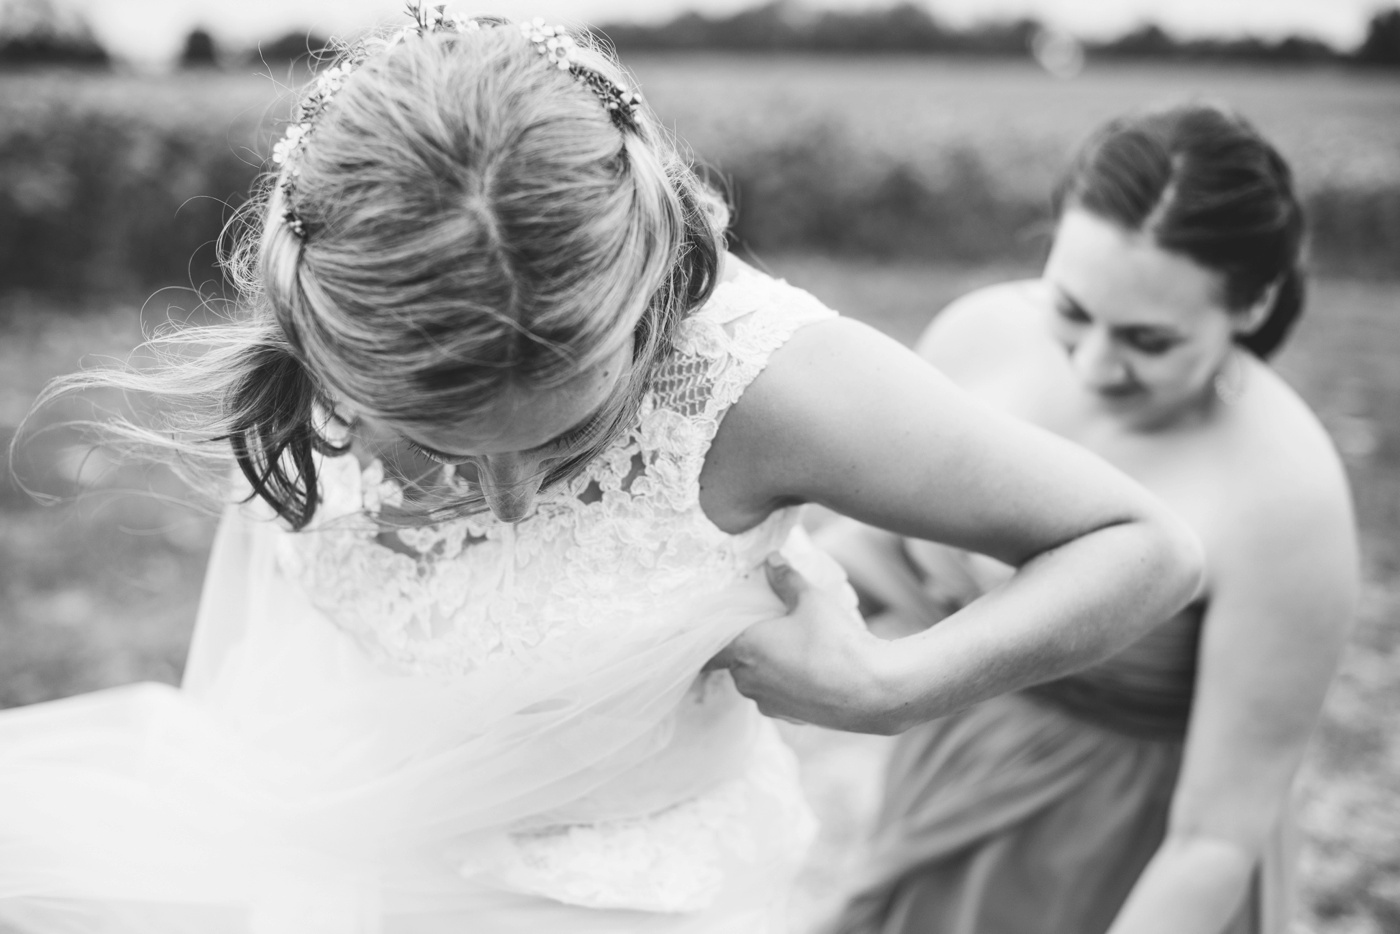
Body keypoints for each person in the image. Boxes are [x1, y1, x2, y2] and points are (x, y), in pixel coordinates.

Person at [0, 11, 1201, 933]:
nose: (514, 493)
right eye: (445, 434)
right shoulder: (353, 300)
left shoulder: (766, 382)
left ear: (637, 309)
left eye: (566, 427)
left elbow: (1143, 546)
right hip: (325, 854)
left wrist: (892, 688)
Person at [749, 102, 1357, 934]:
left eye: (1150, 339)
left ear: (1251, 308)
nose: (1096, 364)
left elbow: (1215, 839)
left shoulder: (1289, 495)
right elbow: (886, 552)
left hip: (1131, 859)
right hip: (949, 781)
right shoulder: (978, 335)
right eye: (1070, 309)